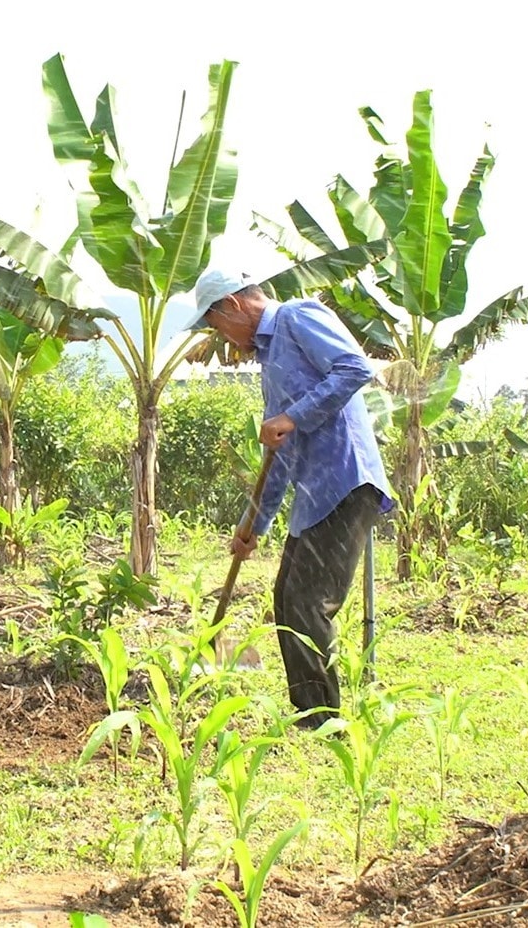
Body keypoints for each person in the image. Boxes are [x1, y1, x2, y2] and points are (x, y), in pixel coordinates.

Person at [184, 269, 394, 727]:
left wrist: (293, 416)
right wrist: (251, 528)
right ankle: (310, 711)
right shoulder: (269, 360)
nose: (220, 335)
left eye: (215, 324)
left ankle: (322, 720)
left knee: (308, 600)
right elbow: (276, 457)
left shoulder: (297, 317)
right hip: (314, 492)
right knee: (287, 597)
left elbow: (355, 368)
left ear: (234, 307)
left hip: (345, 478)